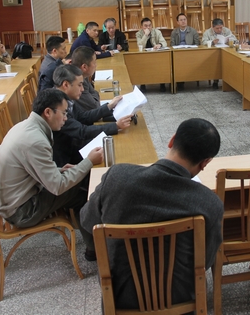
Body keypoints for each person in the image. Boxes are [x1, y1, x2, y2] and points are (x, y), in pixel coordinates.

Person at [81, 118, 224, 309]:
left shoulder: (116, 178)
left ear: (172, 140)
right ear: (205, 162)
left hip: (120, 298)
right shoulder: (209, 204)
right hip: (180, 300)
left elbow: (86, 220)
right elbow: (205, 261)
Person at [0, 88, 103, 243]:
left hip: (15, 200)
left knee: (79, 180)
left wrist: (58, 170)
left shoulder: (24, 126)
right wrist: (89, 161)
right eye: (64, 113)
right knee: (83, 191)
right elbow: (58, 186)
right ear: (48, 112)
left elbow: (31, 168)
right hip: (22, 211)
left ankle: (93, 244)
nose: (66, 118)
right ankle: (95, 248)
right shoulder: (35, 140)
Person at [52, 65, 133, 166]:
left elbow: (83, 116)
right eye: (79, 85)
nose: (82, 89)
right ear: (66, 85)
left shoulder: (65, 98)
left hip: (75, 145)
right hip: (67, 158)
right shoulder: (56, 107)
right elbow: (82, 131)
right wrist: (115, 126)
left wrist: (109, 106)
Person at [135, 17, 168, 92]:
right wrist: (145, 35)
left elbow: (164, 42)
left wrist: (159, 44)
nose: (148, 27)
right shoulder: (138, 34)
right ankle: (143, 84)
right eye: (145, 26)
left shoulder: (157, 32)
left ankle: (162, 83)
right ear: (141, 27)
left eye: (149, 25)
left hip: (156, 54)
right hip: (144, 55)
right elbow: (140, 45)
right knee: (140, 64)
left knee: (162, 63)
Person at [69, 47, 103, 112]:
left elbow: (93, 92)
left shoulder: (84, 76)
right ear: (84, 67)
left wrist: (94, 95)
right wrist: (95, 95)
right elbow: (95, 106)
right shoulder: (77, 81)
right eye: (94, 62)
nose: (96, 65)